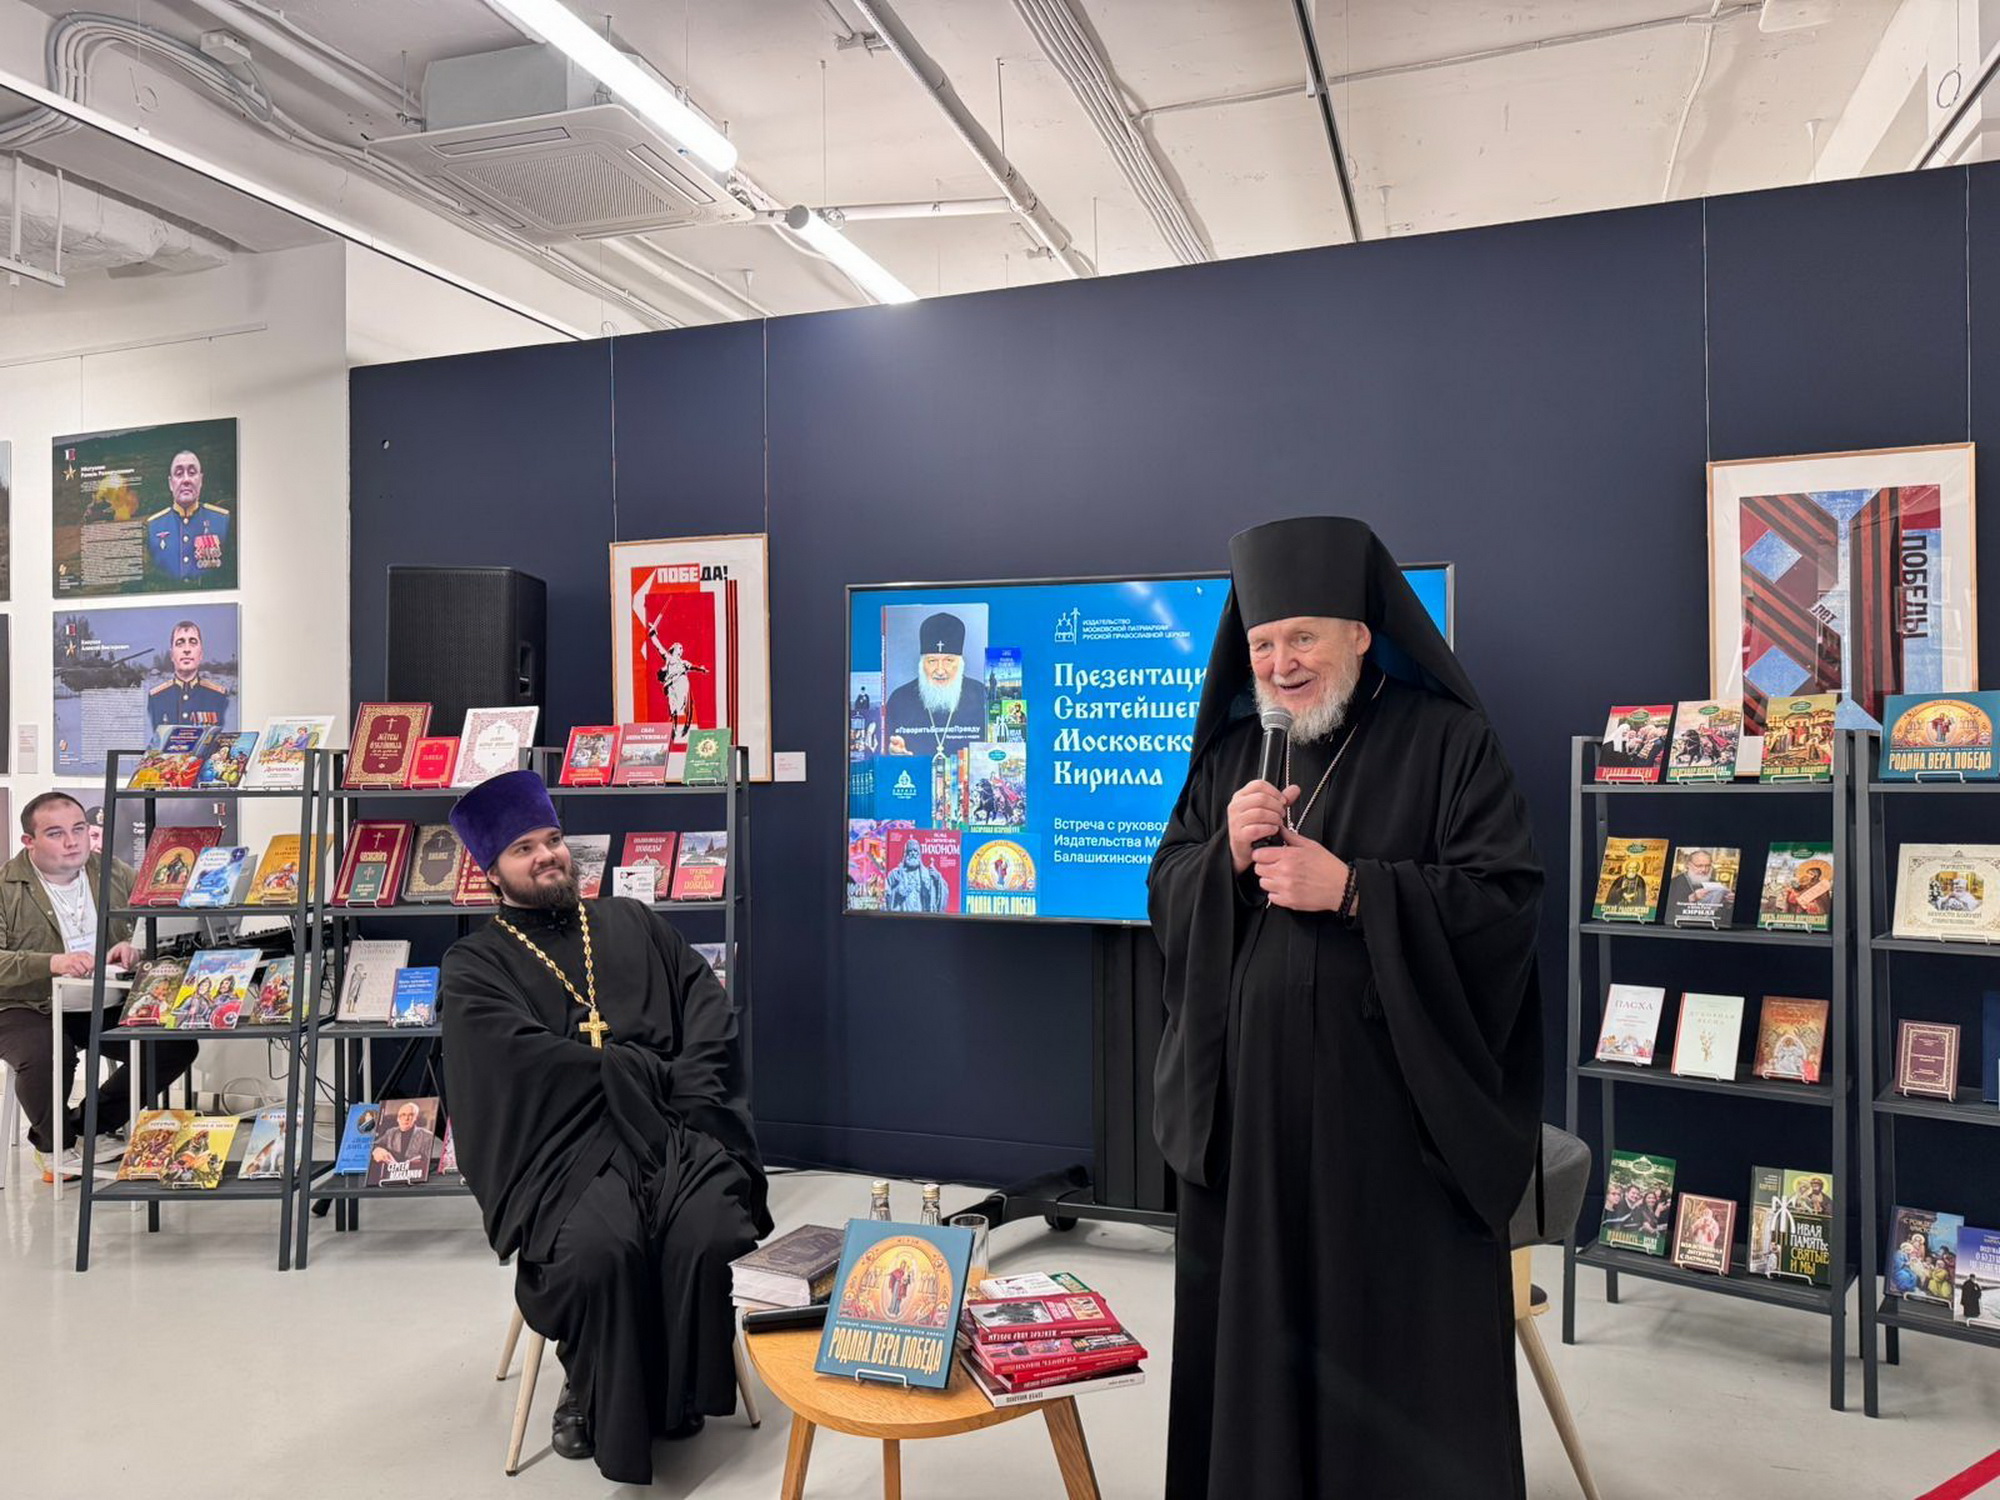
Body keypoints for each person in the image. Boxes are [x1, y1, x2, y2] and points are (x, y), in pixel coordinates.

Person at [1149, 517, 1542, 1499]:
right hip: (1252, 1129)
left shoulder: (1449, 743)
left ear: (1361, 634)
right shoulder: (1232, 755)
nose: (1279, 664)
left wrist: (1359, 890)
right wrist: (1222, 858)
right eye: (1262, 644)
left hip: (1390, 1132)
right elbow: (1164, 890)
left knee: (1381, 1342)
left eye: (1302, 638)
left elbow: (1503, 905)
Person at [440, 770, 768, 1486]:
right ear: (491, 871)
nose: (547, 856)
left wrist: (681, 1092)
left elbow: (706, 1009)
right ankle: (592, 1391)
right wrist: (640, 1070)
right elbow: (513, 1062)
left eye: (553, 839)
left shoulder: (631, 921)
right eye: (524, 848)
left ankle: (678, 1391)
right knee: (599, 1251)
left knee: (711, 1230)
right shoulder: (475, 964)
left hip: (673, 1128)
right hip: (563, 1151)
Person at [0, 792, 198, 1182]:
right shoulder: (6, 887)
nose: (72, 842)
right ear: (29, 841)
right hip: (25, 1006)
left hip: (103, 1000)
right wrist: (52, 962)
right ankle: (54, 1146)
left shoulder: (114, 872)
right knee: (49, 1052)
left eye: (78, 830)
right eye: (56, 833)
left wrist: (135, 948)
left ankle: (87, 1126)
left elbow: (153, 923)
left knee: (173, 1045)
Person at [884, 611, 988, 759]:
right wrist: (893, 753)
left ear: (960, 663)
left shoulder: (981, 695)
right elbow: (883, 747)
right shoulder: (899, 699)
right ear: (922, 664)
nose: (940, 670)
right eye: (932, 661)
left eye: (949, 661)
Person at [145, 448, 232, 583]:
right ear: (170, 483)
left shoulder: (222, 520)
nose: (186, 480)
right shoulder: (153, 526)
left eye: (192, 473)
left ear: (201, 480)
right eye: (179, 474)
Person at [146, 619, 230, 731]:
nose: (187, 650)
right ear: (172, 655)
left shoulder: (218, 697)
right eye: (180, 643)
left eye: (193, 642)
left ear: (201, 654)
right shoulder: (156, 698)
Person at [368, 1100, 436, 1185]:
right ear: (398, 1118)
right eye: (403, 1115)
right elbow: (374, 1145)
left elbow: (430, 1161)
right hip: (390, 1178)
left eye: (411, 1115)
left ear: (415, 1118)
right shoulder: (391, 1132)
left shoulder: (428, 1136)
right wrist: (377, 1150)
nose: (406, 1118)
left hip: (415, 1179)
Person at [884, 842, 947, 913]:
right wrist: (897, 892)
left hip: (922, 916)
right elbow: (886, 894)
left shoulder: (927, 874)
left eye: (915, 851)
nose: (913, 853)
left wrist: (937, 879)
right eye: (910, 851)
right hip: (902, 916)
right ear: (905, 854)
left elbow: (941, 891)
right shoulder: (896, 874)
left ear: (919, 854)